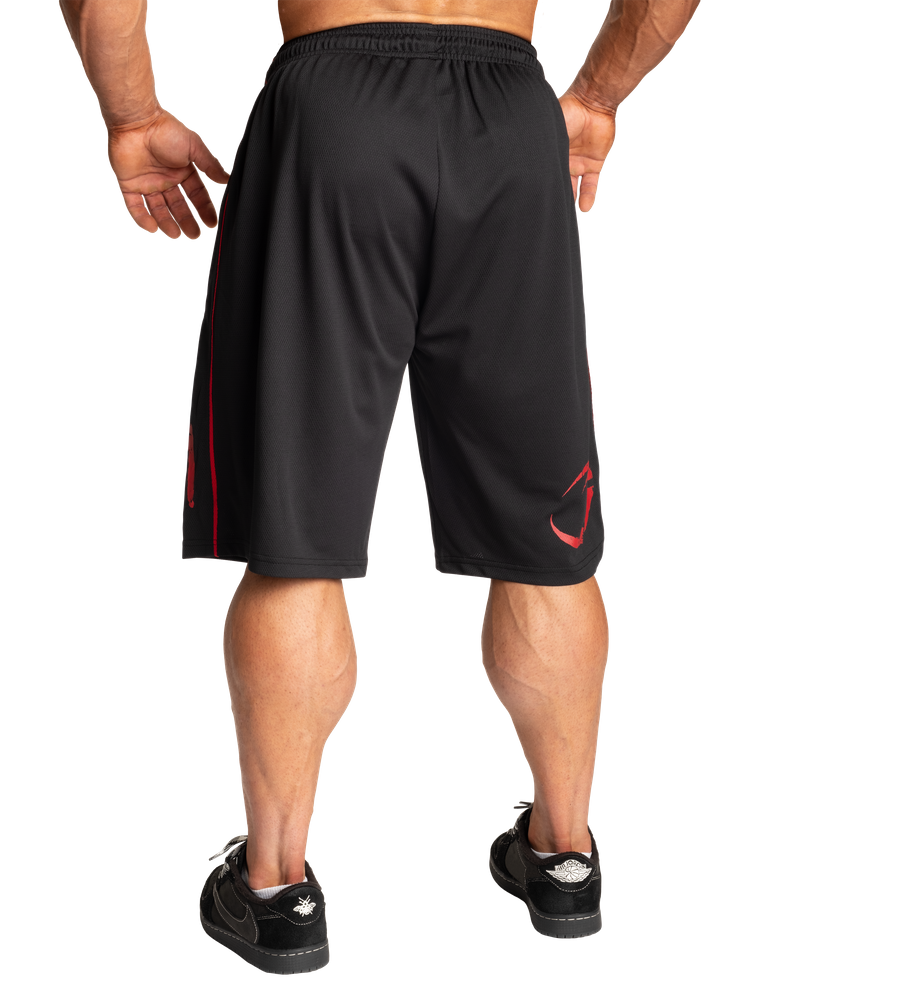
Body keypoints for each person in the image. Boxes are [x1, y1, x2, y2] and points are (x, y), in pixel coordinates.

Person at [62, 0, 700, 975]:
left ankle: (275, 889)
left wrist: (131, 115)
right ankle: (562, 858)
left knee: (293, 538)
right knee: (543, 534)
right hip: (509, 112)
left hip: (334, 108)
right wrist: (600, 97)